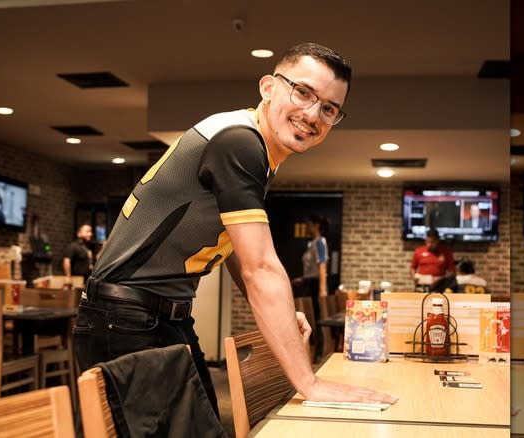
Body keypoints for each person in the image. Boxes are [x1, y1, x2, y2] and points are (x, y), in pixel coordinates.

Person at [73, 42, 397, 424]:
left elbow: (236, 253)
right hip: (126, 318)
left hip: (158, 316)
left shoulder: (252, 143)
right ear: (268, 87)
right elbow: (260, 268)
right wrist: (309, 383)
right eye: (304, 92)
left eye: (328, 108)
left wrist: (281, 316)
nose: (313, 114)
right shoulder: (240, 142)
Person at [291, 213, 330, 361]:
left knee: (314, 319)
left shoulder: (320, 242)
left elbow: (322, 266)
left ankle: (316, 354)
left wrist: (322, 290)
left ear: (316, 226)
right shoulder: (312, 243)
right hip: (308, 284)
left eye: (309, 225)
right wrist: (302, 279)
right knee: (309, 318)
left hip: (315, 286)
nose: (307, 228)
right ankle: (309, 353)